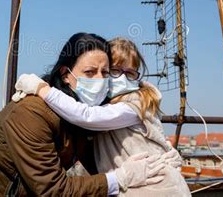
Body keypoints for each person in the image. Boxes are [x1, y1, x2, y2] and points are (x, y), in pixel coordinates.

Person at [0, 33, 171, 196]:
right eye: (89, 72)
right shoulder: (31, 113)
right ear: (65, 75)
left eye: (105, 73)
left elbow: (94, 158)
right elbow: (54, 190)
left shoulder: (80, 111)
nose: (99, 79)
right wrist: (121, 177)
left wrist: (152, 163)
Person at [15, 37, 191, 196]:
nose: (122, 78)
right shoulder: (109, 104)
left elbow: (87, 116)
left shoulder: (134, 104)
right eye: (114, 71)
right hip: (137, 186)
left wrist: (43, 90)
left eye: (130, 73)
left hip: (157, 186)